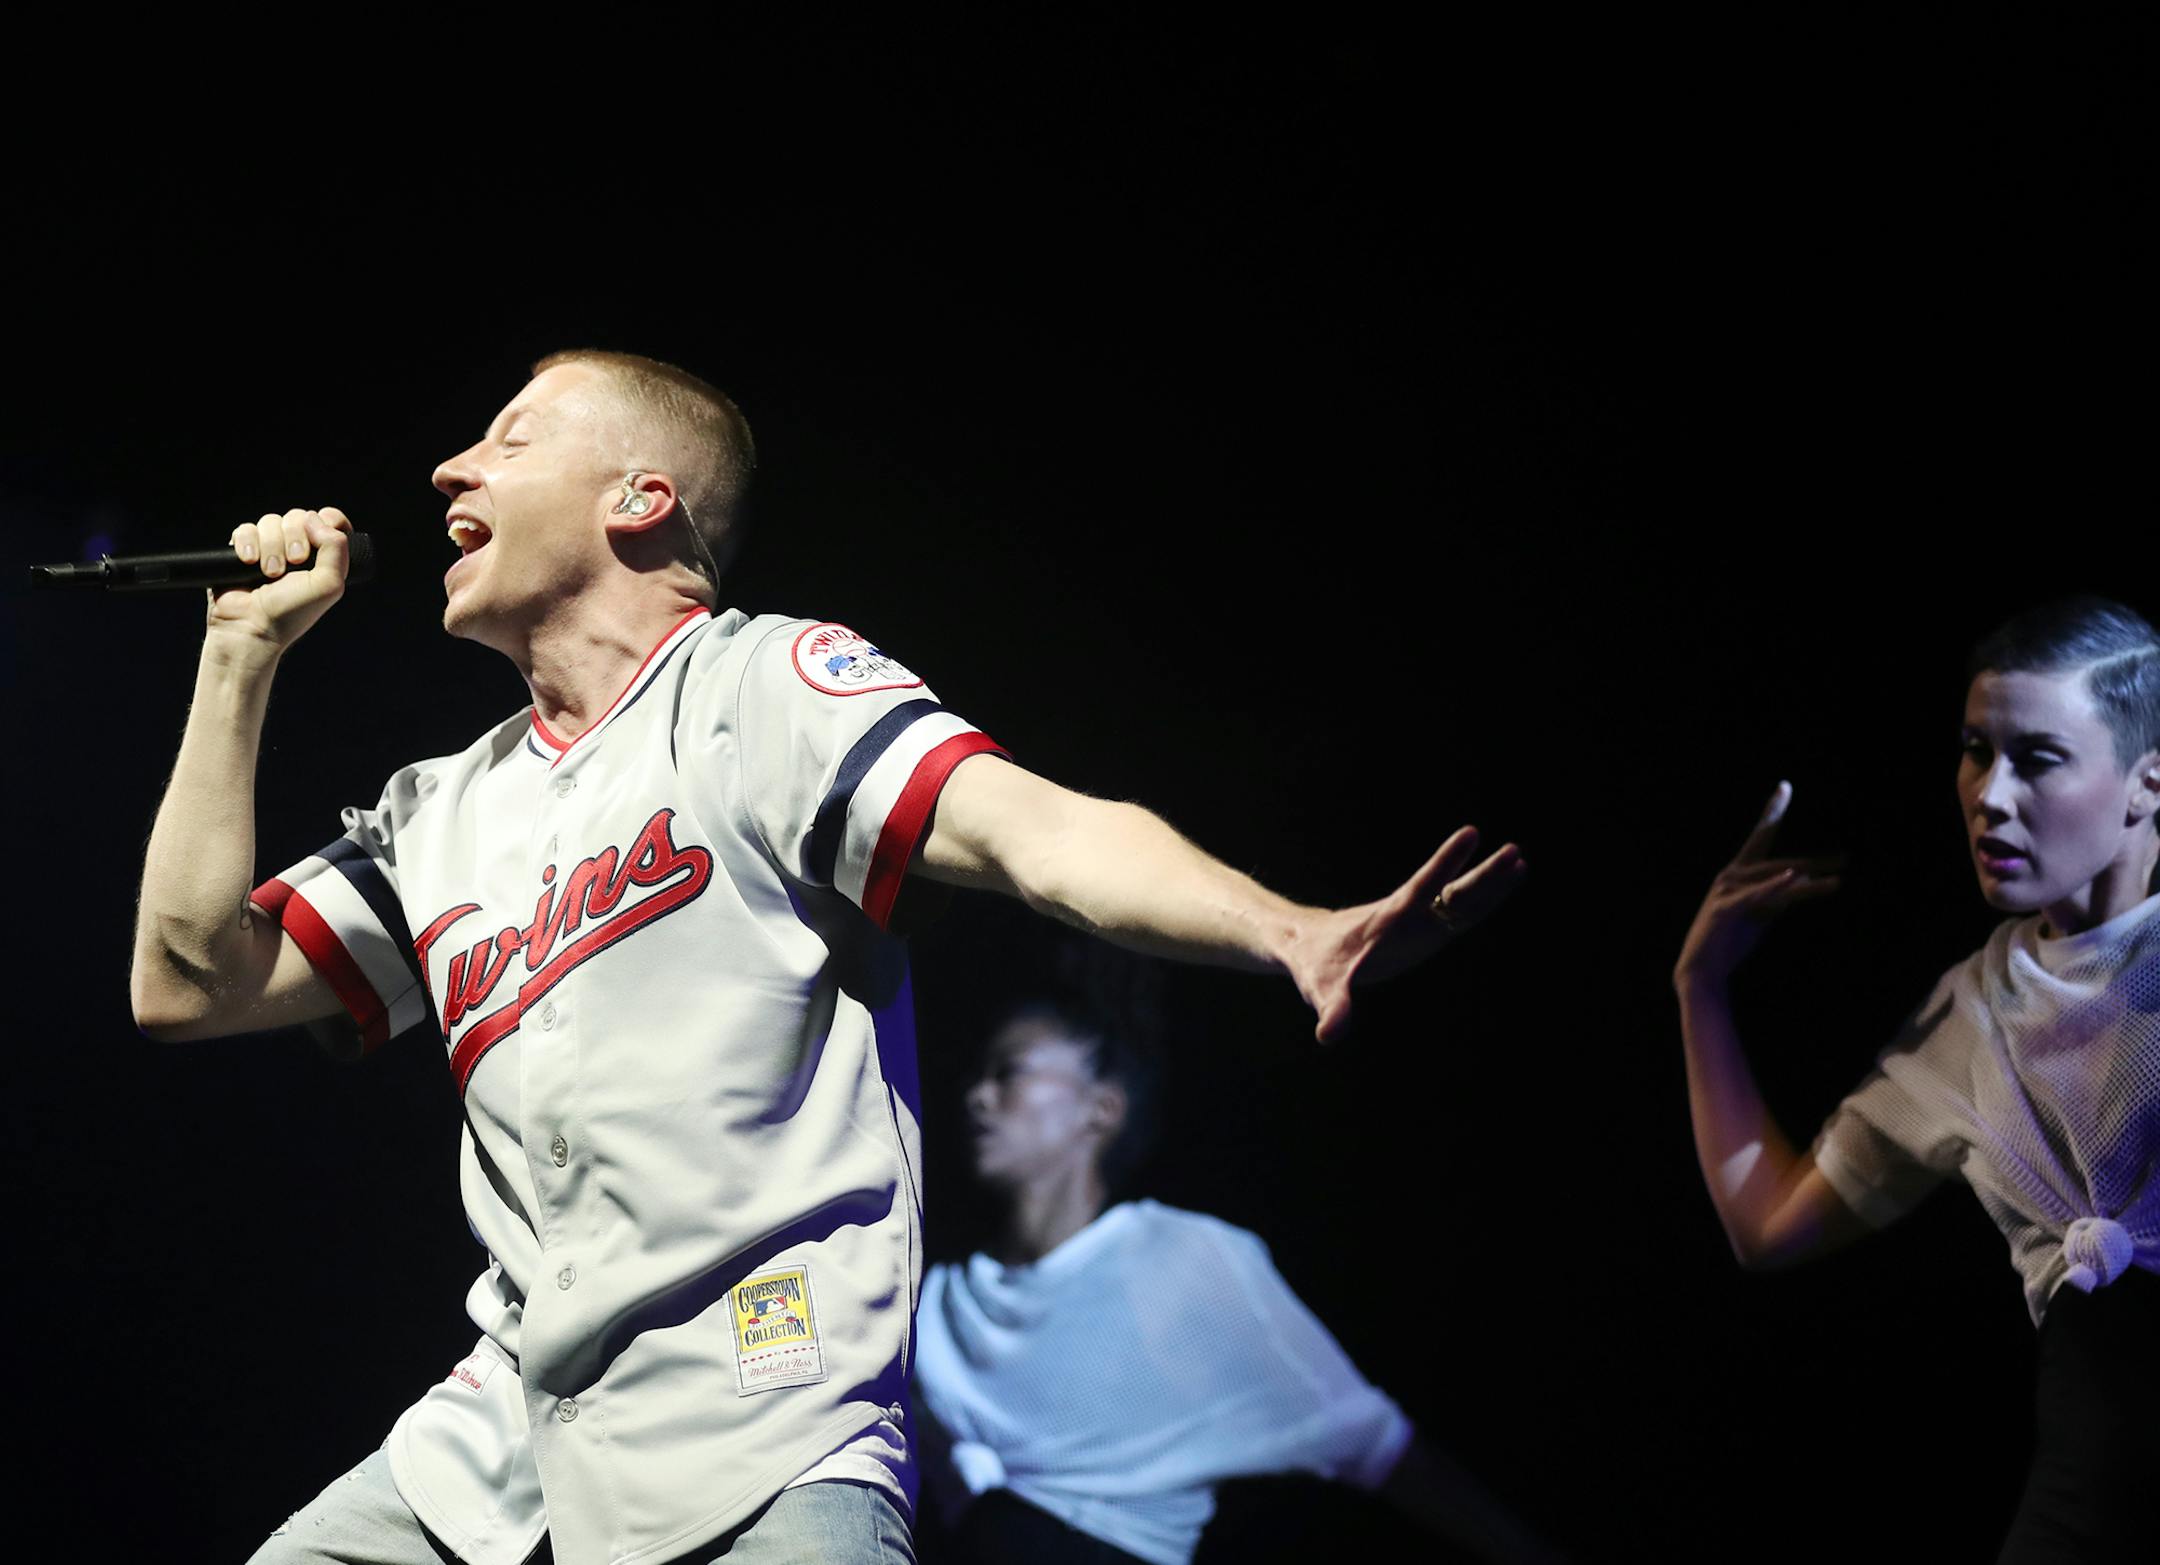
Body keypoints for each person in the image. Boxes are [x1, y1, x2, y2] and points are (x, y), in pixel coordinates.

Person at [127, 349, 1527, 1565]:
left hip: (764, 1428)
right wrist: (239, 655)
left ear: (642, 498)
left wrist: (1285, 926)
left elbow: (1037, 830)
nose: (449, 468)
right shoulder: (447, 804)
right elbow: (187, 981)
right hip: (499, 1449)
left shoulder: (763, 687)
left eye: (511, 436)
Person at [1672, 596, 2159, 1563]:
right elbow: (1766, 1226)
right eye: (1977, 750)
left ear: (2147, 784)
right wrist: (1701, 990)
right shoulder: (1970, 1018)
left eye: (2038, 757)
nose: (1991, 793)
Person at [912, 996, 1571, 1565]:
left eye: (1009, 1072)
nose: (976, 1094)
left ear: (1101, 1107)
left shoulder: (1180, 1259)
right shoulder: (937, 1303)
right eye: (976, 1075)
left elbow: (1379, 1446)